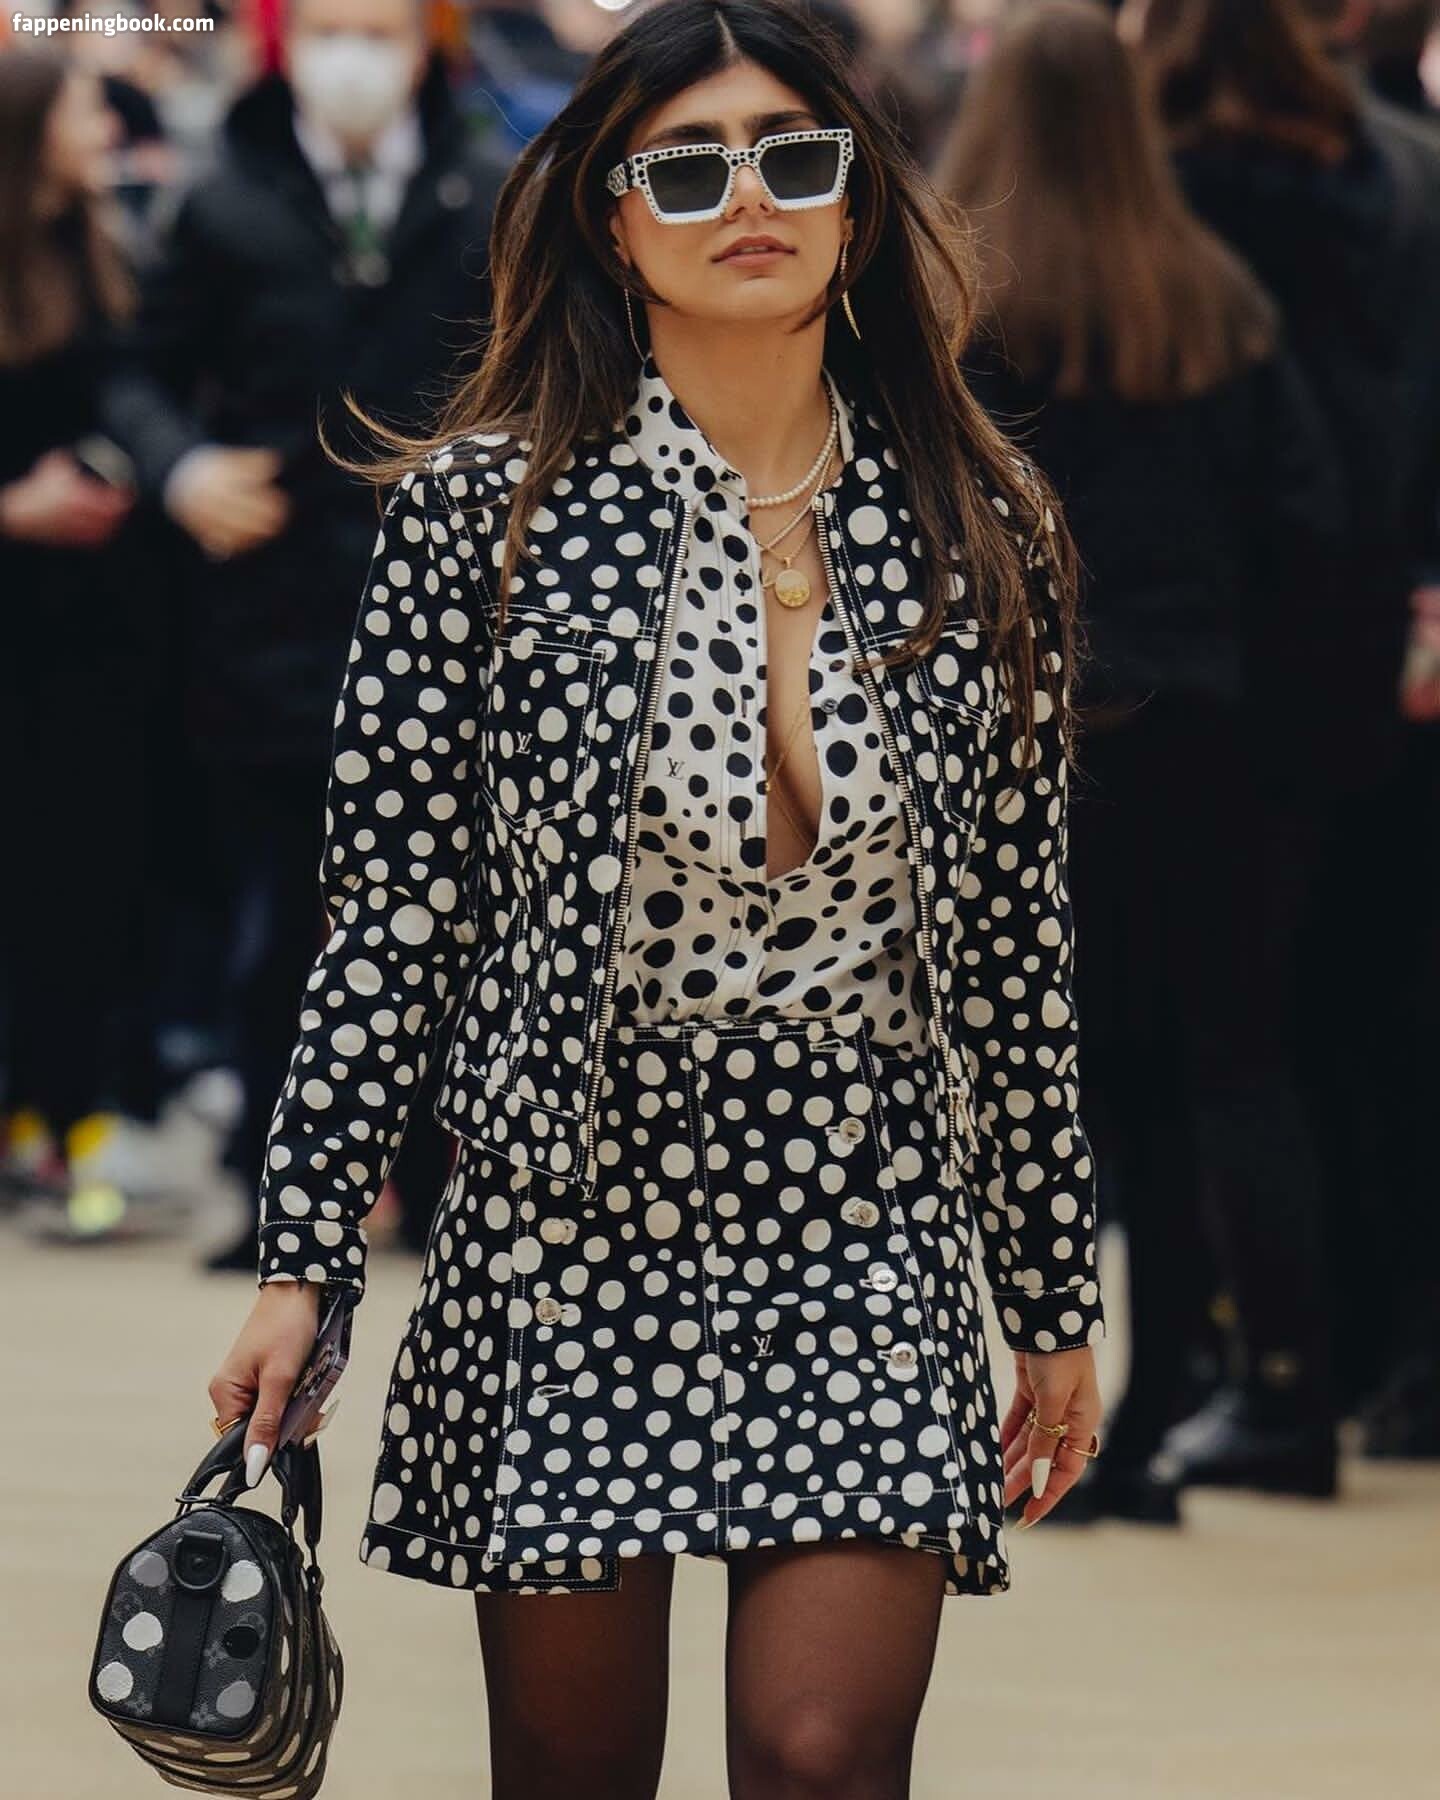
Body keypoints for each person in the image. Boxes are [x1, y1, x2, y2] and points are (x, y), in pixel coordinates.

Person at [209, 0, 1106, 1788]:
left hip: (862, 1211)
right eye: (685, 169)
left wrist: (1053, 1297)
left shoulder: (980, 517)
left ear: (857, 202)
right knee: (573, 1766)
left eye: (794, 157)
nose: (747, 197)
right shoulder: (485, 515)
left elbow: (1015, 946)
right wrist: (304, 1261)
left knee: (824, 1748)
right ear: (611, 224)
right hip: (566, 1217)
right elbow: (392, 919)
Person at [937, 0, 1346, 1518]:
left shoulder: (964, 304)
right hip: (1208, 727)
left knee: (1062, 1078)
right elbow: (1306, 514)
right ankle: (1204, 1401)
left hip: (1030, 728)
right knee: (1215, 1071)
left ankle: (1061, 1411)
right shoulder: (1213, 296)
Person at [103, 0, 509, 1273]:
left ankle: (444, 1188)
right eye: (330, 28)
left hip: (458, 621)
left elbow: (549, 362)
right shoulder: (226, 198)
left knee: (460, 914)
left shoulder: (488, 190)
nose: (353, 57)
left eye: (379, 31)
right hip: (271, 619)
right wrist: (182, 471)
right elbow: (140, 371)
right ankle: (278, 1197)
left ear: (425, 43)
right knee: (279, 924)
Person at [1128, 0, 1440, 1468]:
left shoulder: (1164, 194)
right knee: (1378, 1012)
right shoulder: (1387, 176)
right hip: (1370, 637)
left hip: (1231, 660)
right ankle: (1390, 1353)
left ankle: (1280, 1360)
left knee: (1243, 1034)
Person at [0, 46, 163, 1227]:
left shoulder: (105, 252)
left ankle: (67, 1120)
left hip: (98, 631)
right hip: (17, 618)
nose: (103, 126)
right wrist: (15, 509)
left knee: (85, 883)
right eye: (81, 108)